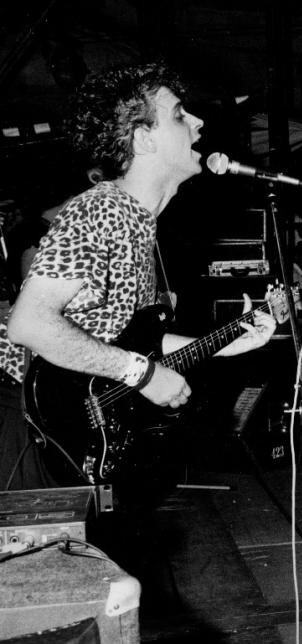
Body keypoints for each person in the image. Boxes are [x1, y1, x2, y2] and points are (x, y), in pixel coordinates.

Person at [1, 63, 277, 490]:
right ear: (144, 138)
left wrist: (230, 341)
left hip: (59, 412)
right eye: (180, 114)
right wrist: (144, 375)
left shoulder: (140, 222)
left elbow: (133, 341)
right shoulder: (101, 210)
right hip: (19, 413)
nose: (199, 122)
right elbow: (29, 323)